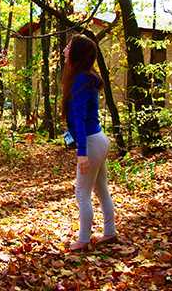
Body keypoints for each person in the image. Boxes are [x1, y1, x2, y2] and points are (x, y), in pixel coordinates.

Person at [62, 34, 117, 252]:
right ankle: (110, 233)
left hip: (92, 142)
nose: (65, 49)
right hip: (99, 139)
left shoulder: (81, 80)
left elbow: (79, 118)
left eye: (68, 46)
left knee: (82, 193)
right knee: (101, 189)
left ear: (76, 53)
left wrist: (82, 152)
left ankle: (83, 240)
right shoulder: (85, 77)